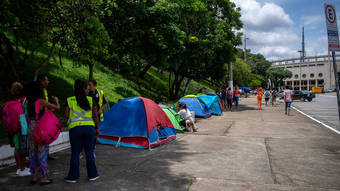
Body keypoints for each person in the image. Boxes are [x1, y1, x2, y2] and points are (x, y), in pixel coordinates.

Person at [64, 79, 99, 183]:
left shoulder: (70, 100)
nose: (88, 90)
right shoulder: (91, 100)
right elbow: (95, 116)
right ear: (84, 89)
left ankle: (73, 177)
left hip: (75, 129)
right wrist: (97, 128)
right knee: (89, 153)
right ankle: (93, 175)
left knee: (75, 153)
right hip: (89, 129)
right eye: (87, 88)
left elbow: (66, 115)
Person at [27, 81, 60, 185]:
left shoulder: (28, 102)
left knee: (32, 152)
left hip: (31, 127)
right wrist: (56, 101)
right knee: (42, 152)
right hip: (40, 128)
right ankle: (43, 177)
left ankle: (33, 177)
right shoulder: (41, 101)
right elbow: (57, 108)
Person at [7, 82, 31, 176]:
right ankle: (22, 169)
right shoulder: (25, 100)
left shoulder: (11, 101)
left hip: (13, 126)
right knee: (22, 147)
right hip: (22, 125)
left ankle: (18, 168)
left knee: (17, 147)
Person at [37, 74, 54, 161]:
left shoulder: (45, 91)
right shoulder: (37, 91)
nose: (48, 82)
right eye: (46, 80)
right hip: (39, 117)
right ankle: (40, 155)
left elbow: (45, 103)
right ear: (42, 81)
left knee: (46, 135)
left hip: (45, 115)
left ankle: (46, 154)